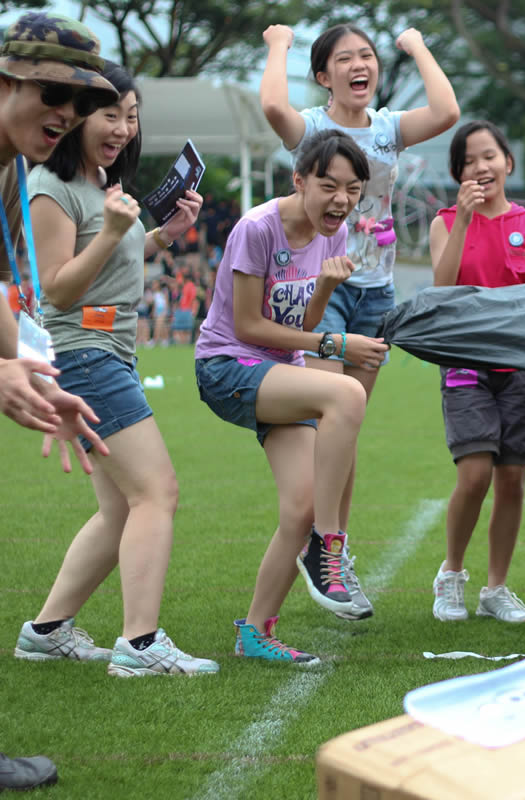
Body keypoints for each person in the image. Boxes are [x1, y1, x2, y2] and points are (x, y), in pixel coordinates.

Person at [17, 60, 215, 678]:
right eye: (110, 114)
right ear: (76, 117)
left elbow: (110, 260)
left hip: (111, 352)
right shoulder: (50, 185)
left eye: (131, 116)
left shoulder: (102, 181)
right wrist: (112, 232)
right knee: (157, 492)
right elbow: (57, 287)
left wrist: (165, 234)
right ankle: (140, 644)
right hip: (82, 353)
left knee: (123, 508)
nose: (123, 128)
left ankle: (46, 632)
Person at [260, 22, 459, 621]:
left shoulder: (388, 128)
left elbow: (447, 111)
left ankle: (334, 548)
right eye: (345, 58)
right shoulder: (312, 129)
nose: (359, 65)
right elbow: (272, 106)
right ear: (324, 76)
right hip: (322, 286)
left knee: (346, 426)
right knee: (330, 417)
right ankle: (324, 546)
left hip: (375, 292)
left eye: (366, 56)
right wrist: (279, 45)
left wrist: (416, 46)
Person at [194, 129, 388, 664]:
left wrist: (325, 286)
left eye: (353, 189)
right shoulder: (257, 228)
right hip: (227, 366)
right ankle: (329, 546)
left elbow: (300, 321)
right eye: (329, 185)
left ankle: (255, 633)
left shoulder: (334, 233)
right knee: (347, 394)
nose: (342, 200)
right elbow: (249, 325)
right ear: (299, 180)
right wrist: (336, 343)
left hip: (279, 370)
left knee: (300, 507)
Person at [0, 10, 120, 790]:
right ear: (4, 80)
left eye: (79, 102)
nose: (67, 114)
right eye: (52, 92)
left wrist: (37, 373)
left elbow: (4, 290)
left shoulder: (9, 170)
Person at [427, 121, 525, 624]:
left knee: (512, 479)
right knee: (475, 473)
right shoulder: (444, 222)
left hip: (519, 367)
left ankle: (495, 588)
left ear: (508, 162)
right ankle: (451, 574)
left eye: (489, 156)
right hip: (465, 363)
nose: (481, 168)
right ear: (457, 173)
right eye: (469, 161)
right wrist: (462, 221)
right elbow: (441, 288)